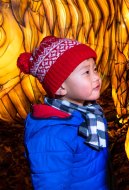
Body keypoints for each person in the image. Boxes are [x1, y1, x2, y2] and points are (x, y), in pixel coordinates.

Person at [17, 36, 112, 190]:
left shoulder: (88, 113)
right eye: (86, 72)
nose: (96, 77)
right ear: (61, 87)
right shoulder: (52, 135)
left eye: (95, 69)